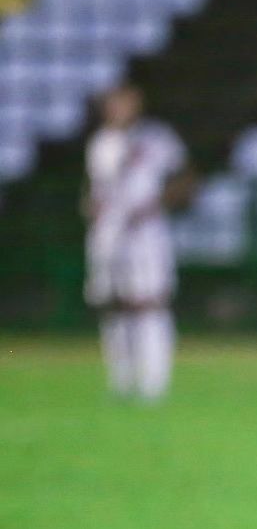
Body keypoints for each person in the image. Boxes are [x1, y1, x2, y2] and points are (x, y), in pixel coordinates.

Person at [83, 83, 192, 402]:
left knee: (150, 301)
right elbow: (97, 188)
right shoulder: (101, 143)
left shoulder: (157, 138)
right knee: (114, 304)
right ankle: (122, 378)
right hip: (109, 233)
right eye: (115, 104)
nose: (120, 110)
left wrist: (155, 204)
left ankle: (155, 380)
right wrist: (92, 206)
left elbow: (185, 179)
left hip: (146, 233)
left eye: (126, 103)